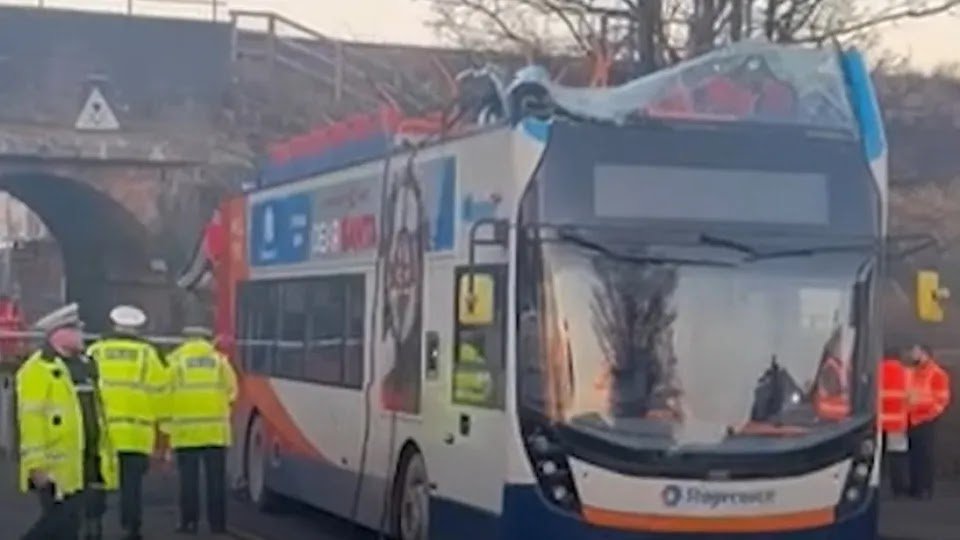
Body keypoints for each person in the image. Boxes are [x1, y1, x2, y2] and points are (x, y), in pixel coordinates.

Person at [16, 303, 118, 540]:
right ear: (59, 335)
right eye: (76, 330)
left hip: (88, 463)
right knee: (58, 526)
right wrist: (36, 465)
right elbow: (31, 421)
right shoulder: (38, 370)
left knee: (73, 527)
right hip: (57, 469)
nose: (82, 335)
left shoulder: (85, 367)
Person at [85, 305, 168, 540]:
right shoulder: (148, 354)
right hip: (136, 433)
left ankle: (94, 525)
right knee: (132, 486)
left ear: (113, 324)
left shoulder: (96, 351)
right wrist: (162, 431)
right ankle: (131, 528)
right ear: (139, 328)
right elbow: (161, 393)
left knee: (96, 481)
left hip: (103, 432)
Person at [165, 325, 237, 535]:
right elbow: (232, 393)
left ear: (185, 339)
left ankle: (189, 523)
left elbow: (165, 393)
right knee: (216, 481)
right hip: (215, 432)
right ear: (207, 339)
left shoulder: (175, 361)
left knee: (188, 481)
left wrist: (167, 428)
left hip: (186, 432)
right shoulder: (219, 361)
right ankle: (218, 525)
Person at [905, 344, 950, 500]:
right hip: (912, 419)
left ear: (925, 354)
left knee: (926, 456)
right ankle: (915, 486)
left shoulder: (937, 374)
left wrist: (929, 414)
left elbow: (941, 400)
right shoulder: (911, 372)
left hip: (926, 420)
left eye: (915, 352)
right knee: (914, 455)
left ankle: (925, 488)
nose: (912, 354)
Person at [879, 347, 910, 497]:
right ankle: (899, 488)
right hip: (897, 423)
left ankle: (875, 488)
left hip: (877, 422)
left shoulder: (877, 370)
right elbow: (911, 397)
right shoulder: (906, 372)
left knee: (876, 458)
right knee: (898, 457)